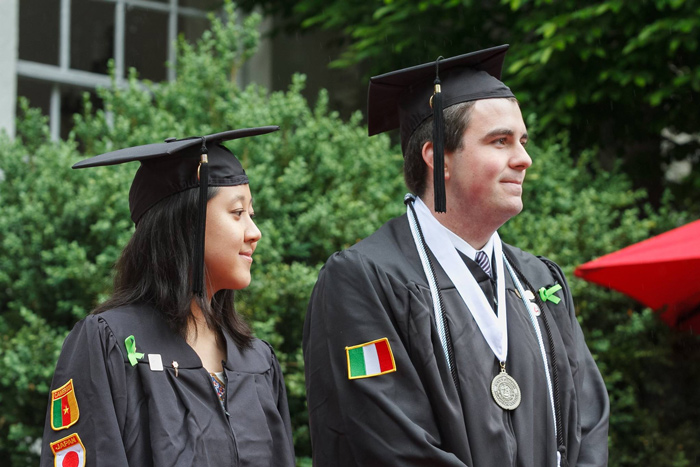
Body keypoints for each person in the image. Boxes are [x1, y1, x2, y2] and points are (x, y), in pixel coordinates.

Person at [303, 45, 609, 466]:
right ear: (438, 158)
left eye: (521, 141)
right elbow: (388, 442)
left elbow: (588, 424)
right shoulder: (365, 280)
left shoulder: (539, 281)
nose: (524, 159)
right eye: (500, 142)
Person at [41, 128, 296, 466]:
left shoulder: (258, 360)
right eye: (237, 213)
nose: (254, 232)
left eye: (252, 214)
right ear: (185, 222)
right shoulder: (110, 344)